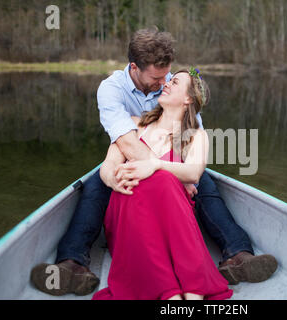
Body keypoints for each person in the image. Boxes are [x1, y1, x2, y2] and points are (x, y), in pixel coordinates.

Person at [30, 28, 278, 297]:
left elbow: (191, 130)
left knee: (205, 184)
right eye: (158, 78)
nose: (164, 82)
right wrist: (149, 172)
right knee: (94, 187)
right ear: (135, 67)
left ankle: (238, 255)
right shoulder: (111, 89)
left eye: (168, 77)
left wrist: (177, 174)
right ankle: (72, 262)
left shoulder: (174, 84)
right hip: (132, 155)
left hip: (170, 158)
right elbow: (124, 141)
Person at [93, 69, 232, 300]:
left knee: (163, 180)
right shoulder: (135, 126)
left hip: (171, 218)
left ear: (188, 98)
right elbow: (108, 166)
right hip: (127, 208)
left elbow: (194, 172)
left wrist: (154, 165)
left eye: (174, 82)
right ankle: (174, 296)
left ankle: (188, 294)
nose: (166, 84)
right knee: (160, 180)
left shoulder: (195, 136)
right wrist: (114, 179)